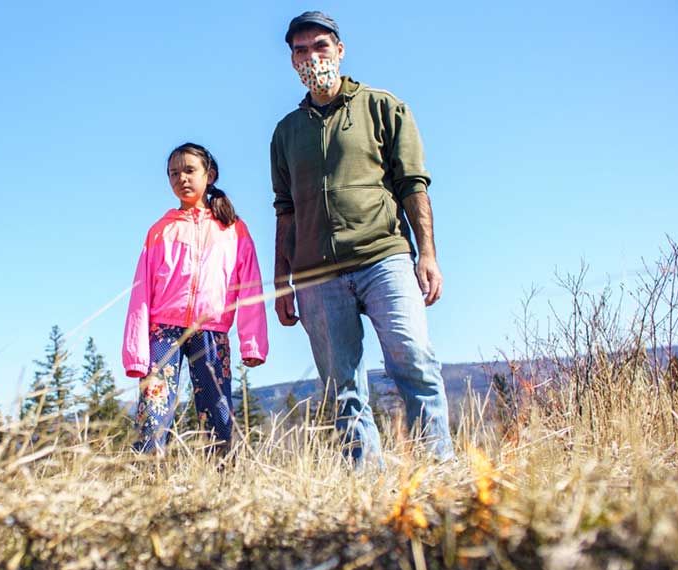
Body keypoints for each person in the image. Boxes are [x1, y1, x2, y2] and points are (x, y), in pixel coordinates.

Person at [270, 11, 454, 465]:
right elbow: (284, 209)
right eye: (300, 50)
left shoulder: (382, 107)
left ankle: (438, 472)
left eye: (320, 47)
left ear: (340, 50)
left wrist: (427, 254)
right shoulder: (285, 133)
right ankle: (365, 483)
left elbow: (413, 183)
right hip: (317, 275)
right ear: (292, 61)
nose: (312, 57)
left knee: (412, 358)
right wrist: (281, 281)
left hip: (384, 257)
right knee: (342, 386)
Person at [123, 143, 268, 454]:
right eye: (173, 173)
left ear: (209, 175)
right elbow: (140, 295)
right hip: (163, 334)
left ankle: (222, 482)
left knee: (218, 410)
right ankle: (144, 485)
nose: (181, 178)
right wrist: (136, 352)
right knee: (153, 412)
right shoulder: (160, 231)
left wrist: (252, 342)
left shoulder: (233, 229)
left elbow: (251, 288)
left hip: (212, 332)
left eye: (189, 170)